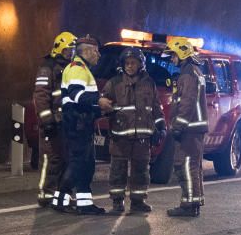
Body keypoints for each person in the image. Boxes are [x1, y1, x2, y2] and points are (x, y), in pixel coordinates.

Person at [99, 47, 165, 214]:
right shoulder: (114, 83)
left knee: (141, 170)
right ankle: (117, 203)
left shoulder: (149, 83)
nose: (129, 66)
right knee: (118, 170)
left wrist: (161, 127)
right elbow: (104, 104)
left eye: (133, 63)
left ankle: (138, 202)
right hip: (120, 136)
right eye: (127, 63)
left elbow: (156, 107)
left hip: (142, 137)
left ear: (140, 65)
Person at [54, 35, 105, 215]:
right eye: (96, 51)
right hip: (77, 123)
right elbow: (77, 95)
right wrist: (100, 101)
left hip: (81, 123)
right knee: (78, 164)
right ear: (87, 51)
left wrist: (100, 110)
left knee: (86, 164)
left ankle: (84, 204)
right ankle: (60, 199)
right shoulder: (77, 69)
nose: (98, 55)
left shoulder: (81, 68)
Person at [166, 37, 208, 218]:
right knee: (193, 166)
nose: (171, 59)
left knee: (185, 166)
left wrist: (178, 126)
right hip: (194, 129)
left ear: (182, 53)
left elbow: (187, 103)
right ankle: (193, 203)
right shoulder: (194, 71)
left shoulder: (188, 74)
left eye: (173, 55)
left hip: (189, 129)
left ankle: (189, 205)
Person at [33, 31, 76, 207]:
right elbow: (41, 97)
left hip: (66, 123)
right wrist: (47, 121)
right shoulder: (47, 68)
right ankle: (46, 194)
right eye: (67, 50)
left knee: (66, 159)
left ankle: (61, 195)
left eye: (72, 51)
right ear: (58, 49)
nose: (70, 54)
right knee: (51, 159)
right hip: (53, 124)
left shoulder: (71, 68)